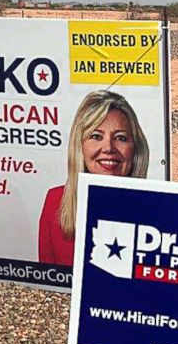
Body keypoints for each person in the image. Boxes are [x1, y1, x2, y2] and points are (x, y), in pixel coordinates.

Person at [38, 90, 149, 265]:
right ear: (79, 145)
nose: (108, 148)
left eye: (120, 138)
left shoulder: (156, 209)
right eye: (96, 136)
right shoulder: (55, 201)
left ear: (135, 148)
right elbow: (49, 285)